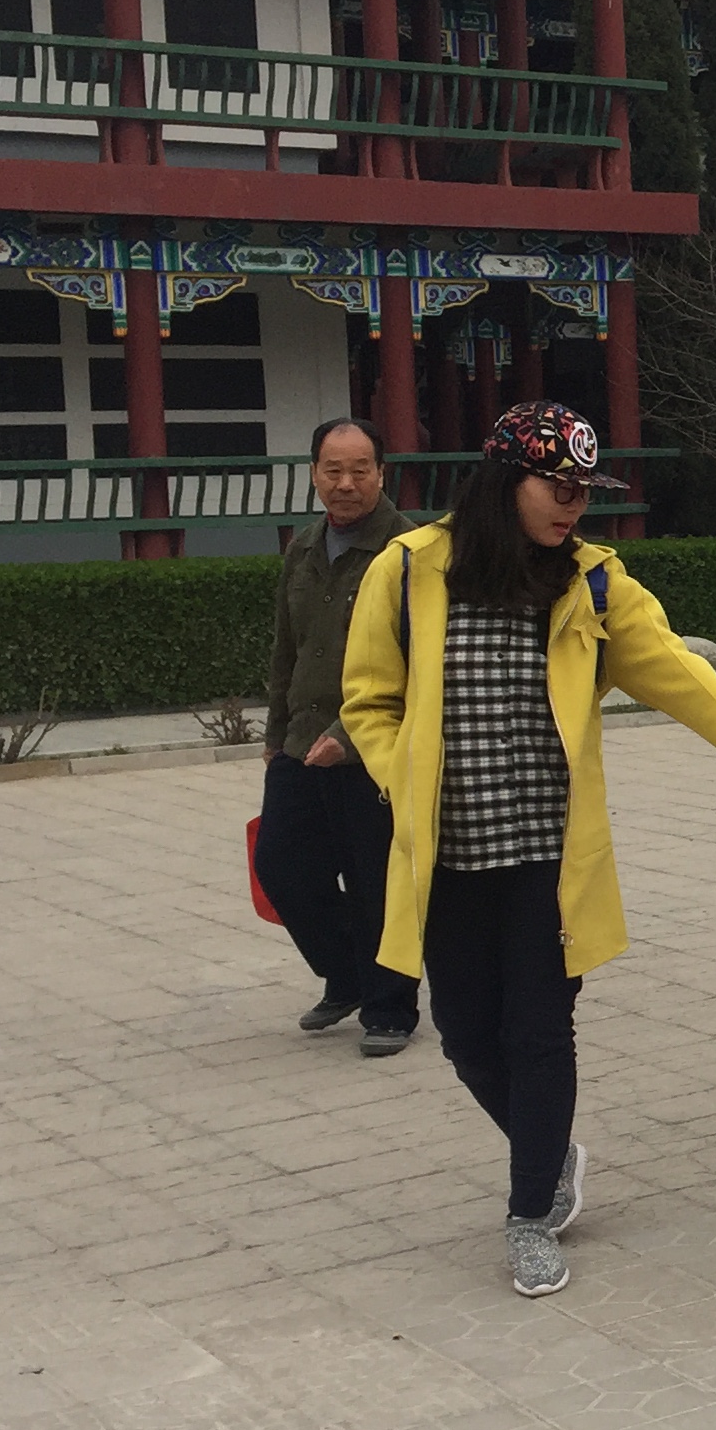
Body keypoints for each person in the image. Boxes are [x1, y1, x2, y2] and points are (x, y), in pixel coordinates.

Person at [343, 402, 716, 1299]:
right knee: (465, 1037)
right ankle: (551, 1151)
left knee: (540, 1034)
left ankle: (529, 1211)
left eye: (584, 491)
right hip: (446, 858)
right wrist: (400, 772)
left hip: (549, 859)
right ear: (507, 481)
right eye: (558, 487)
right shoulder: (409, 569)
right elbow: (369, 700)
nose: (574, 506)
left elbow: (683, 677)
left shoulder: (594, 583)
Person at [258, 419, 419, 1054]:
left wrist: (348, 735)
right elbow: (287, 649)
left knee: (375, 879)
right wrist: (276, 733)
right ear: (314, 474)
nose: (345, 483)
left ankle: (390, 1007)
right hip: (300, 742)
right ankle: (348, 974)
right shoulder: (302, 548)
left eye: (359, 470)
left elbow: (416, 661)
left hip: (374, 745)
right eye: (333, 470)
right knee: (281, 866)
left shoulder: (409, 552)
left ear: (381, 473)